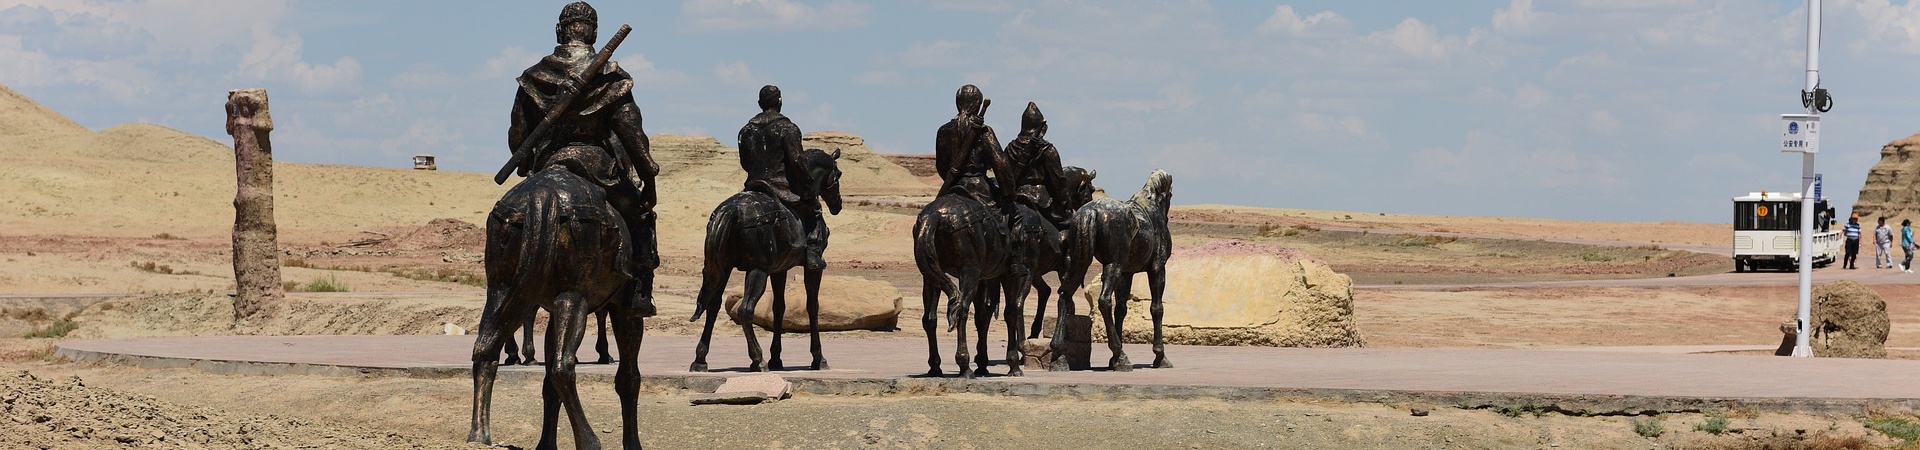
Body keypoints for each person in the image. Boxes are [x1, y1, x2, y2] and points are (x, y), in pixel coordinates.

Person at [507, 1, 660, 317]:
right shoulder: (610, 77)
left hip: (548, 164)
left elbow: (517, 139)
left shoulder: (534, 77)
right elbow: (632, 135)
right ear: (594, 33)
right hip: (597, 167)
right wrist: (649, 174)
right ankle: (638, 292)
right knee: (640, 217)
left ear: (560, 31)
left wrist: (527, 162)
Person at [736, 85, 826, 270]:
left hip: (753, 187)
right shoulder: (788, 128)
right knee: (813, 211)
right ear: (779, 102)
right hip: (781, 189)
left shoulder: (745, 131)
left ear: (760, 104)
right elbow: (796, 161)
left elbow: (745, 163)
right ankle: (812, 255)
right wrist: (808, 184)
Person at [934, 84, 1013, 209]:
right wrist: (1009, 194)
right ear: (978, 105)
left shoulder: (943, 130)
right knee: (1004, 220)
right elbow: (1001, 164)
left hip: (952, 186)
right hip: (979, 189)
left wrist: (952, 179)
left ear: (958, 103)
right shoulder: (984, 131)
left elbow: (941, 166)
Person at [1003, 102, 1071, 228]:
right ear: (1041, 126)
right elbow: (1058, 184)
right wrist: (1065, 210)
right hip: (1041, 202)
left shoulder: (1010, 148)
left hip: (1016, 199)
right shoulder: (1047, 150)